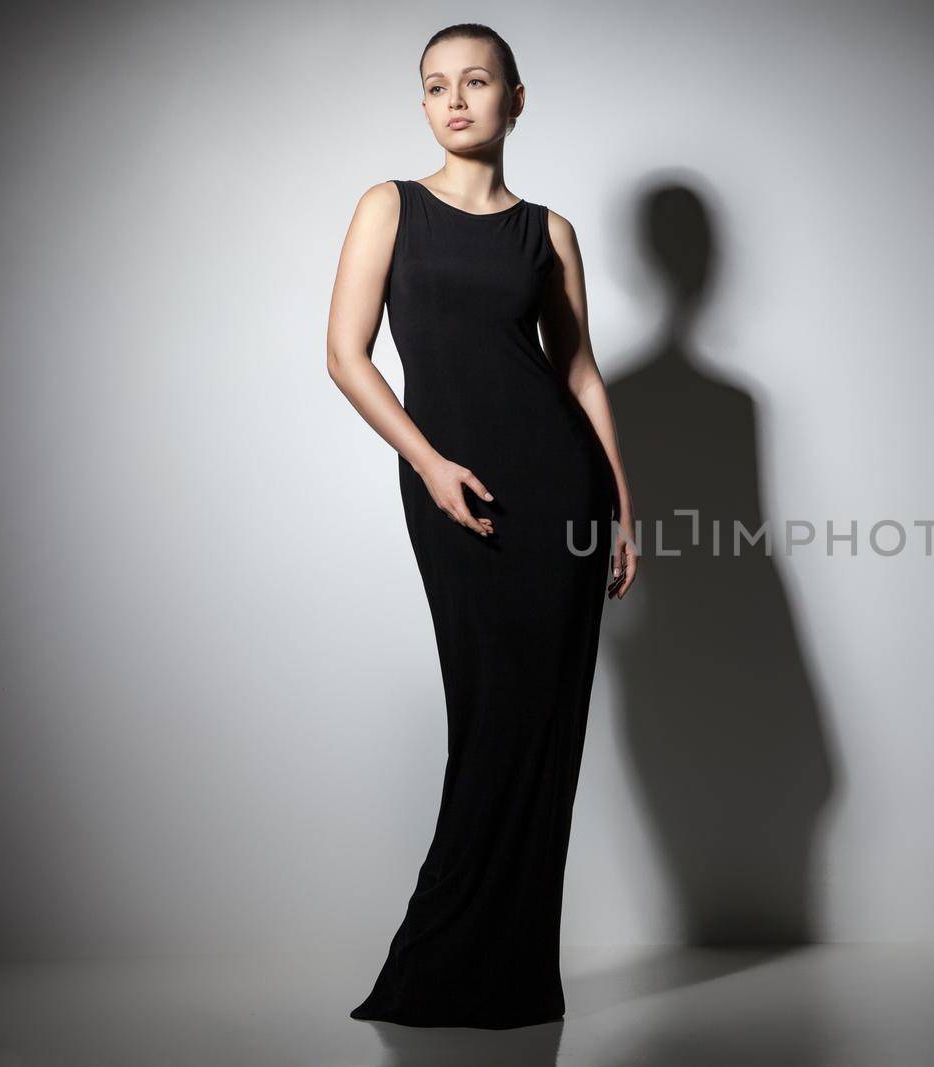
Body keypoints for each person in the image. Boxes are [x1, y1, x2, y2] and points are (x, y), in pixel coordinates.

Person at [326, 22, 638, 1029]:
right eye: (434, 85)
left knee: (542, 723)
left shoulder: (547, 231)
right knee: (489, 715)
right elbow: (345, 353)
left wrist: (623, 504)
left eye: (475, 81)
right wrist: (428, 462)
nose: (454, 100)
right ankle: (444, 960)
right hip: (451, 483)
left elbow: (579, 371)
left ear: (515, 97)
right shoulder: (389, 206)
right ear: (422, 104)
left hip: (561, 490)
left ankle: (509, 976)